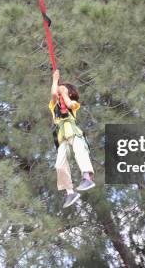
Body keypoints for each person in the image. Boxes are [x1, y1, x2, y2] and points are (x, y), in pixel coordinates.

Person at [50, 69, 95, 208]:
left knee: (80, 151)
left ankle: (87, 177)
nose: (59, 91)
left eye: (63, 90)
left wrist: (63, 93)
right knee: (59, 164)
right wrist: (55, 80)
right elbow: (53, 94)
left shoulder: (74, 105)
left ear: (69, 93)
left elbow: (69, 104)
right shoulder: (54, 106)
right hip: (63, 138)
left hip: (74, 134)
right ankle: (70, 192)